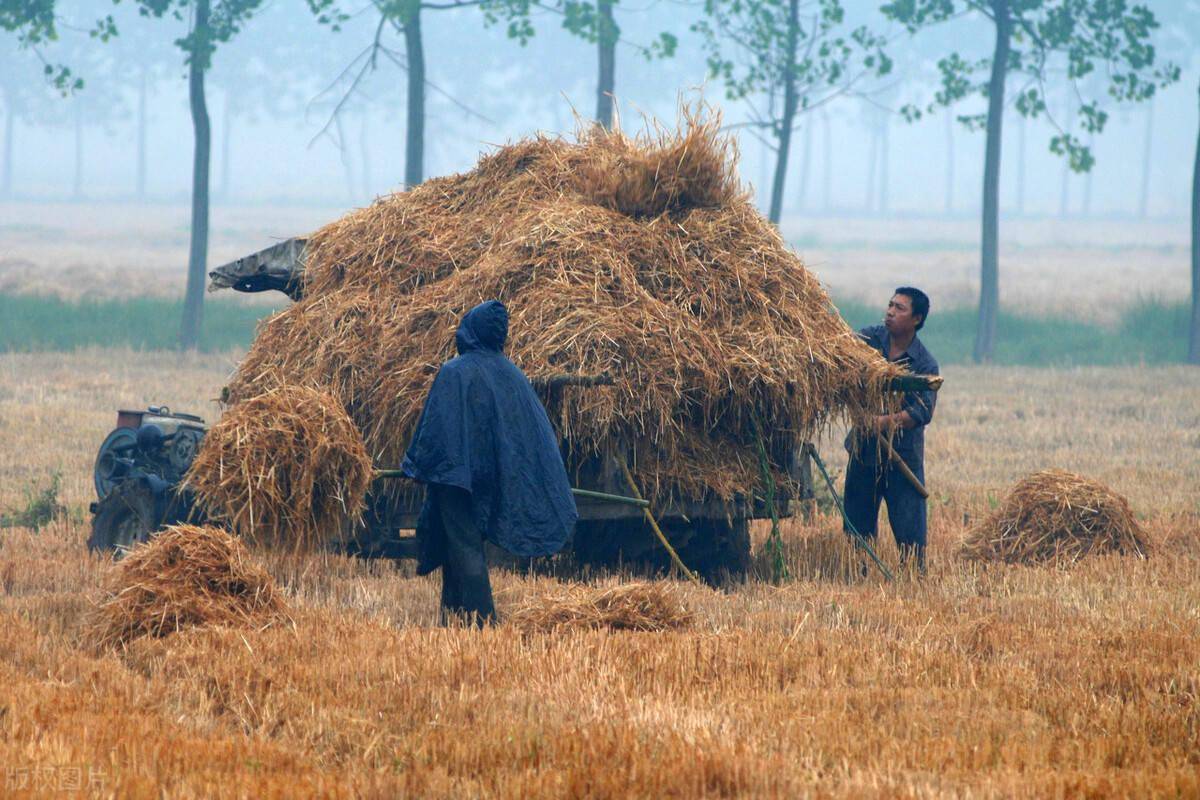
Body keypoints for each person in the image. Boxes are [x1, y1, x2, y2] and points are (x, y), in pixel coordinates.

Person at [401, 300, 578, 624]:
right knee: (458, 546)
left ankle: (483, 620)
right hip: (490, 478)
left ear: (470, 329)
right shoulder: (512, 376)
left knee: (465, 544)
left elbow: (437, 428)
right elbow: (525, 434)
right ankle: (454, 617)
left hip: (456, 479)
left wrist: (418, 465)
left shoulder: (454, 372)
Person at [843, 287, 939, 572]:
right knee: (857, 526)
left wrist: (883, 422)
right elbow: (841, 360)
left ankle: (913, 578)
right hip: (865, 451)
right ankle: (858, 574)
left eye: (899, 308)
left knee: (910, 531)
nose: (890, 312)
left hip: (902, 457)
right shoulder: (868, 341)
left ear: (916, 319)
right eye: (890, 305)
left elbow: (921, 411)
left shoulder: (924, 362)